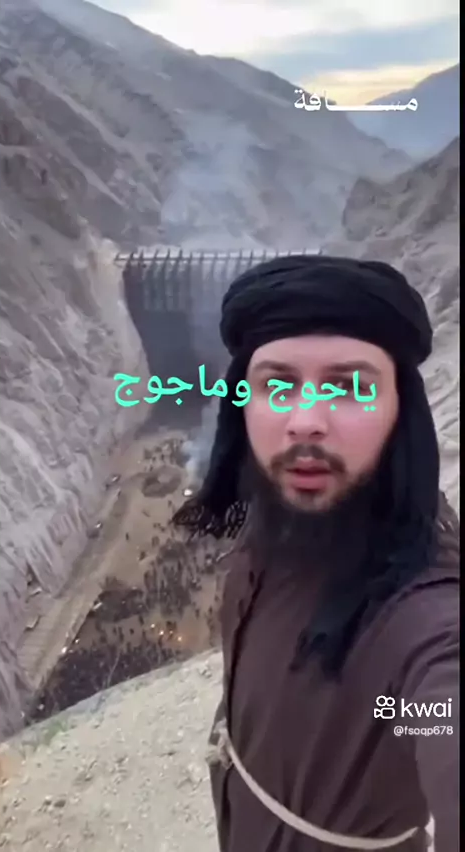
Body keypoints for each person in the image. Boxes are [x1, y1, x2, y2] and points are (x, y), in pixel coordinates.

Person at [173, 255, 459, 852]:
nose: (305, 422)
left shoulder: (425, 617)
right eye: (277, 385)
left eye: (350, 387)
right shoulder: (282, 508)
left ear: (402, 412)